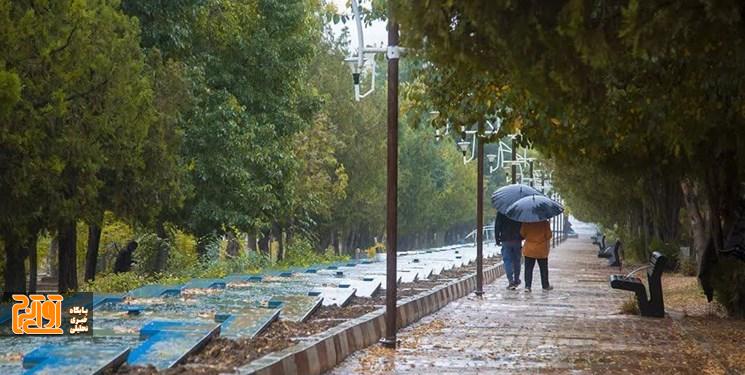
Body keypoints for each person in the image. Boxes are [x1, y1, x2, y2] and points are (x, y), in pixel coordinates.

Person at [520, 220, 552, 292]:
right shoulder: (545, 223)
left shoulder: (526, 222)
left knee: (528, 269)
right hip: (541, 249)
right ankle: (545, 285)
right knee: (543, 269)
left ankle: (527, 286)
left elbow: (522, 234)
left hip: (529, 249)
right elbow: (549, 235)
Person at [494, 212, 523, 290]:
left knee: (507, 260)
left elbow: (497, 225)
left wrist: (497, 239)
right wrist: (522, 236)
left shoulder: (502, 211)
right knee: (517, 260)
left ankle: (510, 281)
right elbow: (522, 224)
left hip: (505, 239)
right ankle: (516, 279)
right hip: (517, 239)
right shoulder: (518, 209)